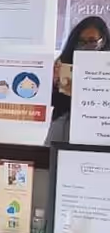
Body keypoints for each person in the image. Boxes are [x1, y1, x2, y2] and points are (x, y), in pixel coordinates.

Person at [46, 16, 110, 144]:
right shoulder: (64, 62)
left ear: (103, 41)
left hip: (100, 126)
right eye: (81, 42)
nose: (86, 46)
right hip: (64, 124)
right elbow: (53, 102)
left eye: (92, 41)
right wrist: (54, 83)